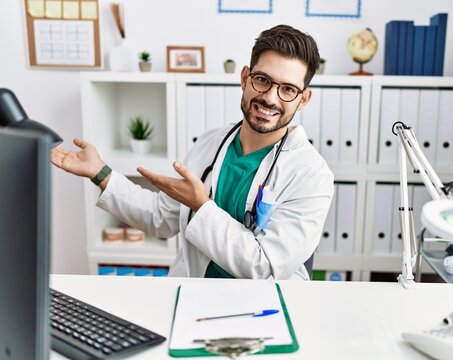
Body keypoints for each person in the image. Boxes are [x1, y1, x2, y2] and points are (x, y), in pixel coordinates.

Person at [51, 24, 334, 280]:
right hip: (194, 295)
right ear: (245, 78)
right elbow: (160, 218)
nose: (270, 98)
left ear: (303, 99)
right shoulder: (211, 144)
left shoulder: (312, 174)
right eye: (262, 80)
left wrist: (202, 206)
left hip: (265, 308)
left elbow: (265, 266)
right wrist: (100, 172)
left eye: (287, 89)